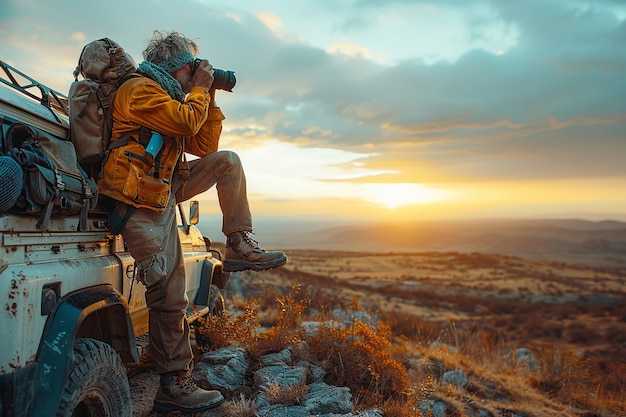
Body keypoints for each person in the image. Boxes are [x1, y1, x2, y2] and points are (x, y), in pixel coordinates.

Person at [97, 30, 287, 413]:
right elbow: (184, 124)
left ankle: (238, 241)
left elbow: (204, 146)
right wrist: (201, 88)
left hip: (161, 187)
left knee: (227, 161)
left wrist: (209, 94)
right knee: (169, 293)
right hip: (136, 200)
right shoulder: (139, 91)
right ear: (175, 67)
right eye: (193, 69)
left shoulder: (174, 95)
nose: (198, 76)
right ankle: (174, 385)